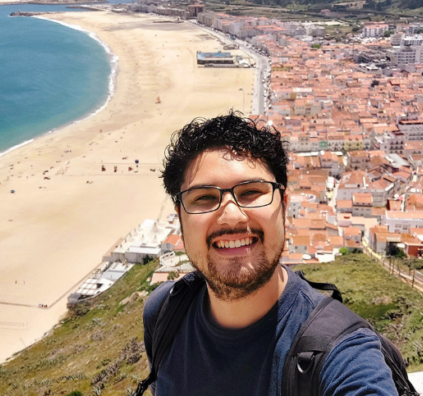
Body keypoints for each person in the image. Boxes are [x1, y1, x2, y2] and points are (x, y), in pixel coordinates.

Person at [142, 111, 398, 396]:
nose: (231, 216)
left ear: (284, 205)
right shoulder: (164, 313)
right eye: (204, 197)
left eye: (251, 191)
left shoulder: (340, 349)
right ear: (180, 217)